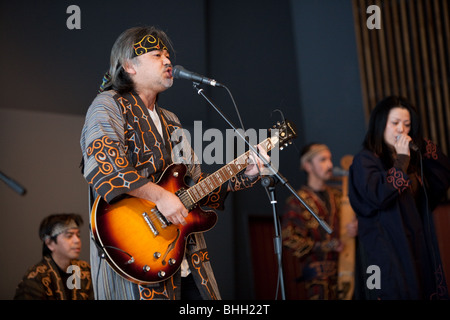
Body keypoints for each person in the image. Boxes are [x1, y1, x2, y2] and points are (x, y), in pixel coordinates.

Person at [80, 26, 267, 300]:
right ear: (129, 66)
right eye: (157, 55)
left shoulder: (171, 120)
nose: (168, 61)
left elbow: (196, 189)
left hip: (187, 259)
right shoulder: (107, 105)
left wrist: (245, 174)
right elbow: (103, 165)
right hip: (136, 256)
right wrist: (159, 197)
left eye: (168, 55)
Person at [348, 95, 450, 300]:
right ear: (380, 125)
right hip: (381, 251)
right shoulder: (365, 160)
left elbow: (441, 177)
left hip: (414, 245)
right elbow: (378, 196)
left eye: (407, 124)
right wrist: (401, 161)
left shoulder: (410, 162)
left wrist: (418, 148)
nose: (401, 129)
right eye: (395, 123)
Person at [281, 143, 358, 300]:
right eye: (323, 160)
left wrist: (356, 228)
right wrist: (326, 245)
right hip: (318, 283)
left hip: (347, 272)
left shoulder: (338, 196)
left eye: (329, 159)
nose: (330, 165)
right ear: (308, 165)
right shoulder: (297, 202)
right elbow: (289, 239)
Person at [14, 213, 94, 300]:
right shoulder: (35, 277)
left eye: (78, 235)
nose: (77, 240)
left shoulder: (85, 270)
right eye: (69, 236)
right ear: (49, 243)